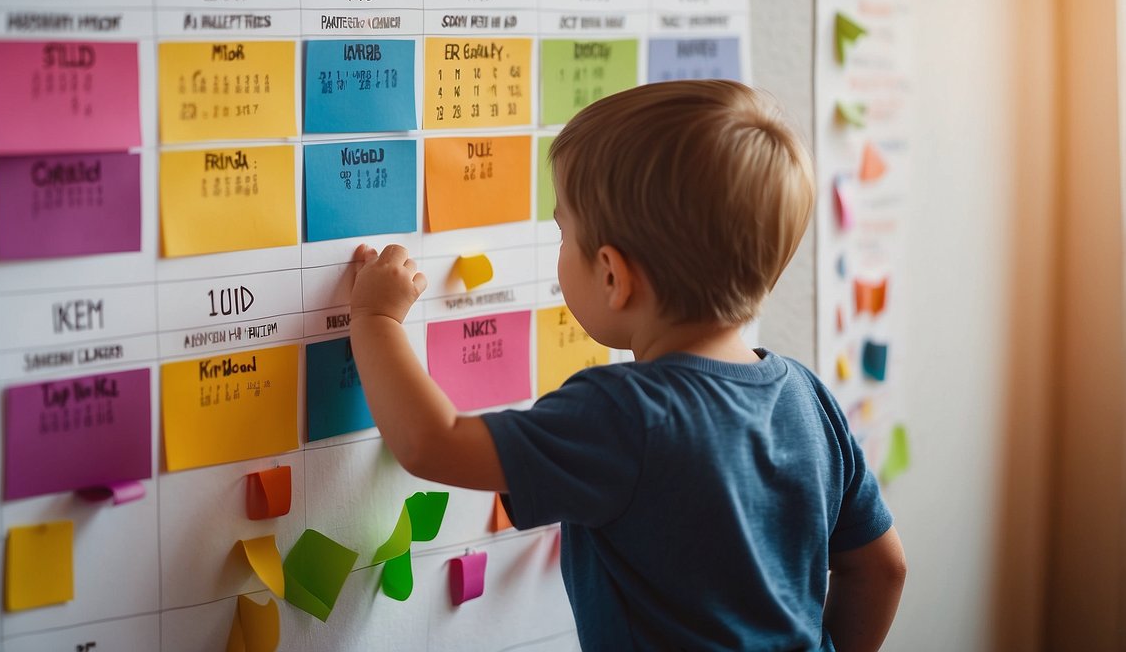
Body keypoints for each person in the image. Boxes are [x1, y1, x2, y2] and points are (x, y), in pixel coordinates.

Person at [349, 80, 906, 651]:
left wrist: (376, 320)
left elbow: (431, 443)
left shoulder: (623, 414)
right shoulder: (808, 399)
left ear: (614, 276)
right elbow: (882, 569)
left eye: (564, 232)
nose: (559, 246)